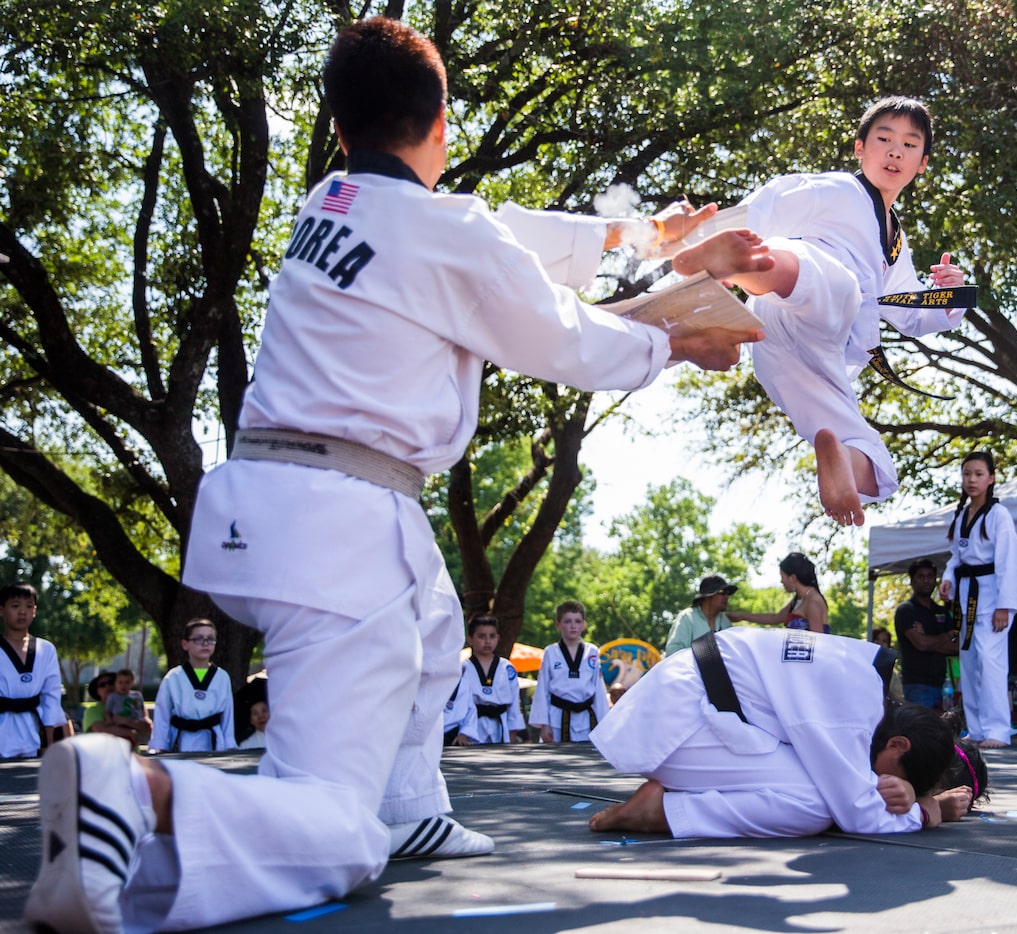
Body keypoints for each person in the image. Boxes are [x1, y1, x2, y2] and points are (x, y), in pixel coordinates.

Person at [25, 17, 773, 933]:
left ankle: (410, 806)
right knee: (333, 829)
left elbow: (498, 239)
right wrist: (673, 335)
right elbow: (563, 333)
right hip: (339, 525)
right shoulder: (443, 233)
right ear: (443, 120)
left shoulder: (326, 206)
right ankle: (135, 793)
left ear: (339, 130)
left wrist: (650, 240)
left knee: (434, 628)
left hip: (273, 500)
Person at [705, 96, 969, 526]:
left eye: (909, 144)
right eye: (884, 139)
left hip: (805, 355)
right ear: (859, 148)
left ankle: (840, 455)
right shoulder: (839, 191)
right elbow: (775, 200)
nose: (895, 151)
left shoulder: (896, 243)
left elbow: (909, 313)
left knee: (881, 471)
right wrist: (728, 234)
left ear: (922, 163)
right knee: (827, 279)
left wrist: (952, 298)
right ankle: (743, 263)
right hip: (799, 298)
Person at [587, 628, 958, 837]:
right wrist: (925, 811)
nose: (879, 781)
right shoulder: (855, 711)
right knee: (814, 804)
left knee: (815, 786)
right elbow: (858, 814)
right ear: (897, 744)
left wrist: (909, 791)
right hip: (681, 722)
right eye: (889, 775)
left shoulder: (859, 673)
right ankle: (663, 813)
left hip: (687, 705)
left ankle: (677, 796)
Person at [939, 452, 1017, 748]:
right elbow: (955, 557)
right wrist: (948, 578)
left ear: (991, 478)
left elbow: (1011, 561)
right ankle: (975, 730)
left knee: (991, 662)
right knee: (971, 662)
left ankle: (998, 730)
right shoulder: (962, 515)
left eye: (978, 474)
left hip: (991, 596)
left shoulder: (998, 515)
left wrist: (1005, 605)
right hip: (966, 597)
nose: (971, 480)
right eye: (966, 474)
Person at [0, 582, 70, 758]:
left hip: (33, 730)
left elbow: (51, 696)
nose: (23, 612)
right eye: (15, 606)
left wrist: (50, 742)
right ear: (1, 610)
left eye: (29, 606)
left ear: (35, 611)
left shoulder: (46, 649)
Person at [148, 619, 237, 753]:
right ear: (185, 644)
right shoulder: (173, 677)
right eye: (199, 639)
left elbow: (227, 714)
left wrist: (229, 743)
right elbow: (162, 714)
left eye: (210, 639)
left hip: (214, 743)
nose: (205, 643)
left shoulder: (222, 677)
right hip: (182, 741)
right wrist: (160, 745)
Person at [530, 601, 609, 743]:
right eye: (567, 621)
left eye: (577, 621)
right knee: (556, 761)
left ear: (583, 624)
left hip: (586, 719)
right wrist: (544, 724)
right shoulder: (551, 652)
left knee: (586, 761)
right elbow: (542, 688)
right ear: (558, 625)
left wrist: (604, 723)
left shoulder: (592, 651)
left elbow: (599, 688)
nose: (573, 626)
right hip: (557, 719)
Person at [446, 615, 526, 746]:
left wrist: (513, 730)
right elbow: (459, 705)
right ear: (470, 640)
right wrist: (464, 732)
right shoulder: (463, 668)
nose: (488, 641)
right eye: (482, 636)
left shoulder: (506, 667)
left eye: (492, 636)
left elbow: (514, 702)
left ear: (498, 638)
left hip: (501, 723)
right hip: (473, 725)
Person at [893, 558, 957, 708]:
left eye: (930, 576)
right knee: (921, 729)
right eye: (921, 577)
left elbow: (956, 647)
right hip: (917, 685)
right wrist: (946, 636)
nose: (926, 581)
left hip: (943, 684)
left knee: (943, 729)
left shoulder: (942, 612)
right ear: (912, 581)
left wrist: (928, 640)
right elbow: (921, 644)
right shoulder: (906, 610)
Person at [728, 552, 829, 633]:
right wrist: (741, 616)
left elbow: (818, 643)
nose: (781, 581)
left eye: (782, 577)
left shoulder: (812, 601)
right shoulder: (799, 600)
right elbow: (774, 618)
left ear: (793, 578)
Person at [663, 575, 738, 656]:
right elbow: (673, 653)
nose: (726, 597)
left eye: (727, 593)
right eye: (722, 592)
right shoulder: (687, 618)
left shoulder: (724, 621)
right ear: (708, 596)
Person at [104, 668, 153, 743]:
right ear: (116, 683)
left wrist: (146, 717)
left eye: (127, 682)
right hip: (121, 723)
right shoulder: (113, 697)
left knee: (151, 728)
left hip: (137, 720)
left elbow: (142, 707)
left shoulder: (137, 695)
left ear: (132, 682)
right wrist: (109, 719)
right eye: (120, 683)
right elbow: (107, 711)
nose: (123, 685)